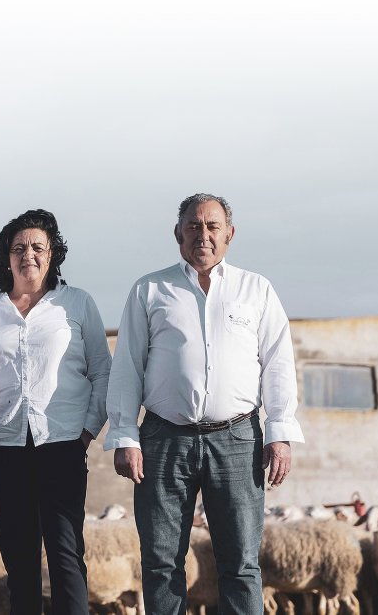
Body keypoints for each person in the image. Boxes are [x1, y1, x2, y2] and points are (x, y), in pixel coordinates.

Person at [104, 193, 305, 615]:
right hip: (162, 439)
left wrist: (280, 431)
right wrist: (125, 434)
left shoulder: (256, 290)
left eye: (213, 227)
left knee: (241, 564)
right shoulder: (149, 289)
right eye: (194, 226)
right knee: (161, 562)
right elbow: (127, 367)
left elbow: (278, 364)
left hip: (237, 440)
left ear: (229, 235)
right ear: (178, 234)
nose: (203, 235)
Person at [0, 209, 111, 615]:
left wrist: (87, 431)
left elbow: (102, 371)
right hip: (3, 446)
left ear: (53, 254)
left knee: (65, 553)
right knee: (18, 557)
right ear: (5, 258)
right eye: (18, 248)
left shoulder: (76, 304)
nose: (28, 254)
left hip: (62, 443)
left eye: (38, 247)